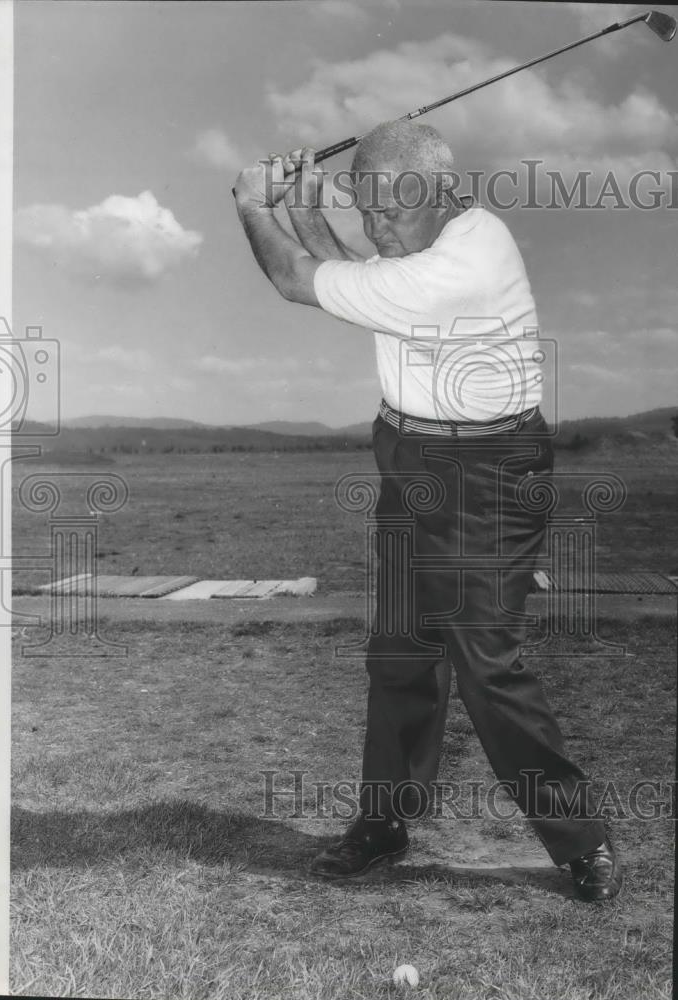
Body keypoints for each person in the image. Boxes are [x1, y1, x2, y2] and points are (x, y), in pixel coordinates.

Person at [233, 120, 622, 902]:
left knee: (486, 662)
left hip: (487, 472)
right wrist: (310, 200)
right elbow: (356, 274)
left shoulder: (466, 264)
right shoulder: (422, 247)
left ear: (441, 192)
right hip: (410, 454)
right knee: (401, 652)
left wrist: (255, 205)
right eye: (365, 210)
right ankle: (385, 821)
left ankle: (583, 840)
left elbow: (297, 279)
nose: (377, 229)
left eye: (390, 213)